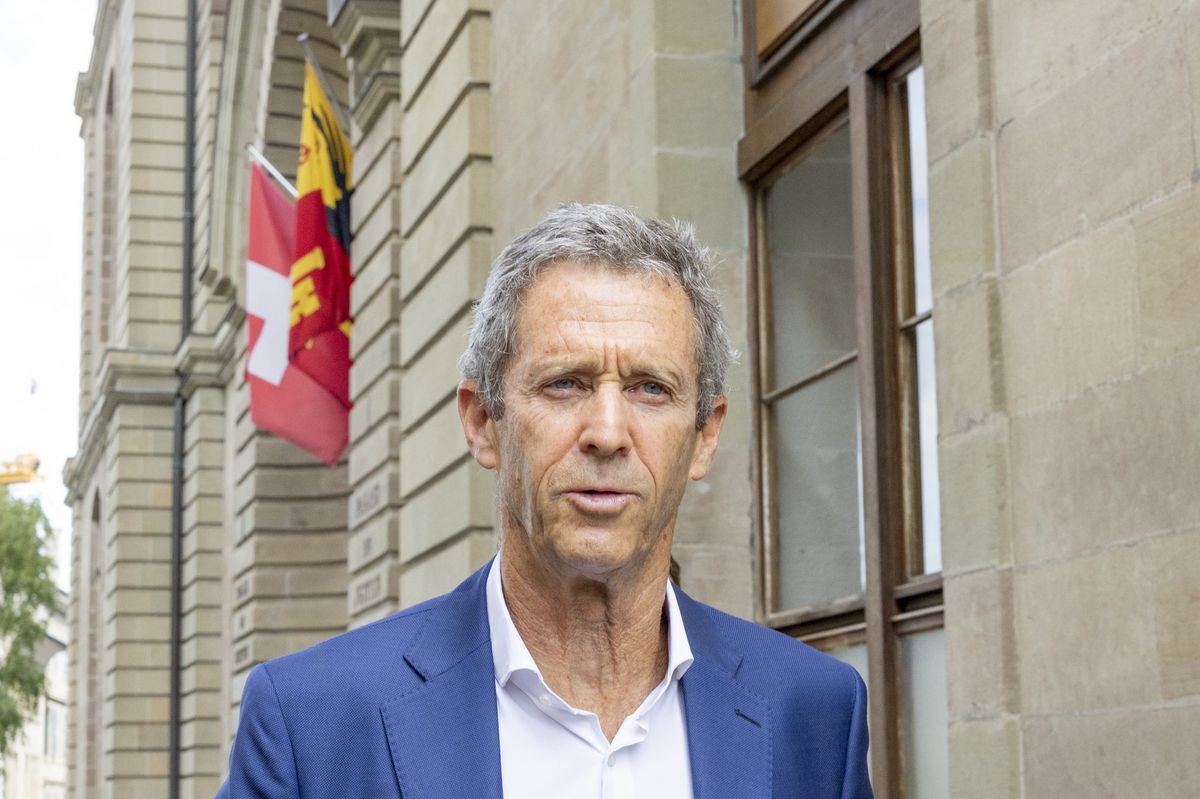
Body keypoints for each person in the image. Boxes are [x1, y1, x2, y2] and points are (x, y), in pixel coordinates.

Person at [217, 204, 872, 798]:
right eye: (565, 383)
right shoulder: (312, 724)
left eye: (650, 388)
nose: (608, 432)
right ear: (482, 421)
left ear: (704, 434)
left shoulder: (813, 716)